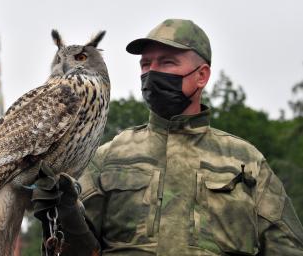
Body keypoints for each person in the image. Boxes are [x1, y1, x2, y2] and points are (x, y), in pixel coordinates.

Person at [32, 19, 303, 255]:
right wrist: (64, 212)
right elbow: (79, 251)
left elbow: (287, 248)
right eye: (146, 64)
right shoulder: (109, 158)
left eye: (167, 62)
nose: (152, 72)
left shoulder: (247, 163)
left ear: (201, 76)